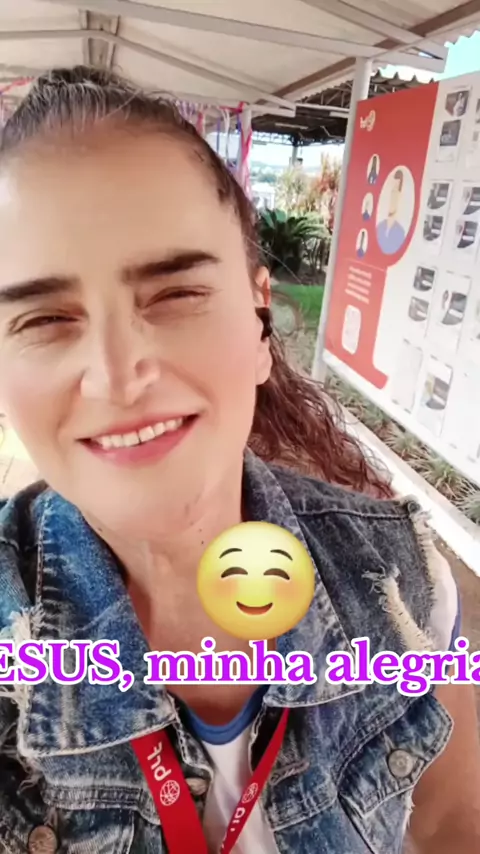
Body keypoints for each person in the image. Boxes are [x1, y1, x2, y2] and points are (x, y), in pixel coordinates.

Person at [0, 67, 479, 854]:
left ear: (260, 319)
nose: (117, 377)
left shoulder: (402, 584)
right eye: (46, 319)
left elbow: (454, 823)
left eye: (174, 295)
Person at [377, 169, 407, 254]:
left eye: (396, 191)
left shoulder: (400, 232)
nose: (393, 195)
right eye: (392, 191)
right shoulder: (380, 227)